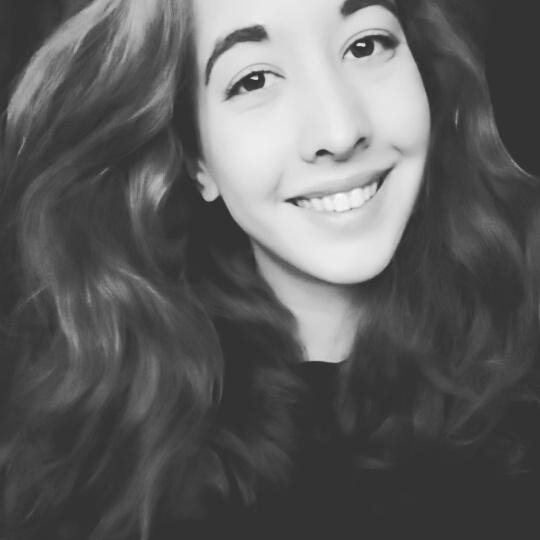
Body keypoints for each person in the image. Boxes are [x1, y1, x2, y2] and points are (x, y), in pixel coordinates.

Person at [1, 0, 540, 538]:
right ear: (197, 162)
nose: (339, 131)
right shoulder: (110, 464)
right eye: (253, 80)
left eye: (366, 45)